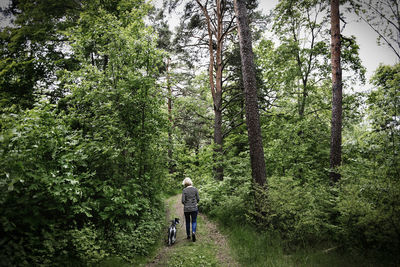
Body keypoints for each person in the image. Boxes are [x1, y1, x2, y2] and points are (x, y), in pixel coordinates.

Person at [181, 177, 199, 242]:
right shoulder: (195, 189)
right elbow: (198, 198)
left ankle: (188, 235)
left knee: (188, 221)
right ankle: (193, 232)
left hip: (187, 209)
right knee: (194, 221)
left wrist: (186, 204)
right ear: (191, 182)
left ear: (185, 183)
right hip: (194, 207)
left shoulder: (184, 190)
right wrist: (196, 203)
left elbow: (183, 201)